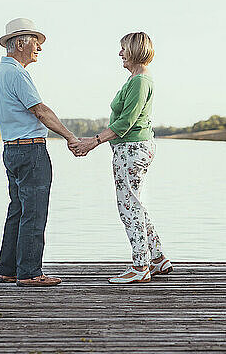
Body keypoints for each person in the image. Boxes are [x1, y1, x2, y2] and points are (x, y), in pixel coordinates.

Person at [70, 32, 173, 284]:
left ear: (136, 50)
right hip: (133, 148)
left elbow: (126, 123)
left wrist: (93, 142)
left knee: (128, 206)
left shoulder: (139, 82)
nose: (120, 53)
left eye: (123, 48)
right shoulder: (136, 80)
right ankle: (158, 259)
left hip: (131, 149)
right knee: (135, 203)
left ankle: (140, 267)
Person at [0, 18, 79, 287]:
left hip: (11, 150)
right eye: (35, 42)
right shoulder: (17, 74)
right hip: (31, 152)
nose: (39, 48)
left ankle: (8, 269)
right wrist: (70, 136)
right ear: (19, 43)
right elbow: (40, 110)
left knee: (17, 209)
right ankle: (29, 272)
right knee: (34, 212)